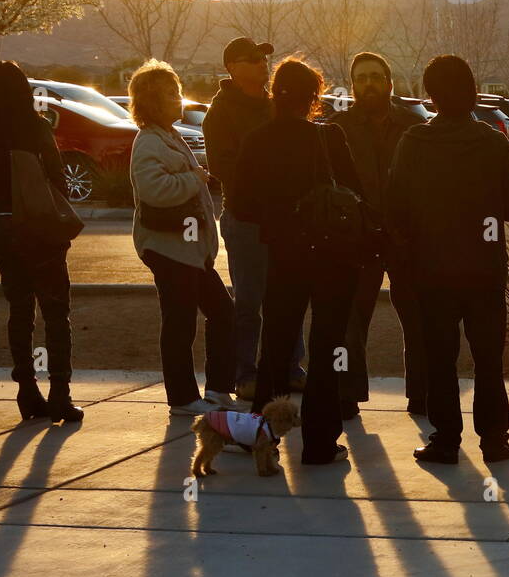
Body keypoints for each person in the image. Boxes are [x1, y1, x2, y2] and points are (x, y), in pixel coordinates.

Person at [386, 54, 509, 465]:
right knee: (487, 359)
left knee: (440, 360)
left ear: (430, 97)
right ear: (471, 91)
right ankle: (495, 440)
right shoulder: (492, 142)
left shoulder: (412, 144)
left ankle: (445, 439)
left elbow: (394, 210)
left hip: (431, 272)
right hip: (483, 270)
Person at [228, 57, 362, 465]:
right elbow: (354, 195)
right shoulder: (330, 139)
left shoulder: (256, 141)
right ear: (314, 97)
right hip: (331, 257)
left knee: (276, 344)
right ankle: (321, 443)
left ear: (274, 93)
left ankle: (260, 433)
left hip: (283, 256)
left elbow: (239, 206)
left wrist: (276, 218)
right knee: (326, 348)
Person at [0, 60, 81, 423]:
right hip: (39, 228)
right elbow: (56, 177)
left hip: (0, 231)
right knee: (56, 313)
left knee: (19, 310)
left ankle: (26, 389)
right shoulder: (35, 127)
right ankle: (60, 392)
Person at [127, 59, 236, 417]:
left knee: (220, 313)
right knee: (181, 322)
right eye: (172, 93)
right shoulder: (148, 143)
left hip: (188, 250)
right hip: (169, 248)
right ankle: (183, 398)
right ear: (155, 102)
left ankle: (218, 390)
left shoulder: (166, 137)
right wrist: (194, 179)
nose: (179, 98)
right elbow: (154, 190)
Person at [203, 36, 306, 401]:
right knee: (249, 301)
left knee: (290, 295)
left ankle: (292, 369)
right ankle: (245, 374)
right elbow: (222, 167)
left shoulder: (275, 105)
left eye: (264, 58)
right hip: (245, 218)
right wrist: (270, 178)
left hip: (285, 218)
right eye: (252, 59)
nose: (263, 64)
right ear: (232, 67)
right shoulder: (220, 113)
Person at [332, 51, 425, 419]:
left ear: (389, 83)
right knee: (350, 323)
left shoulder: (412, 125)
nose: (368, 83)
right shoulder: (337, 127)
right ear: (353, 86)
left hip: (405, 236)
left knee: (419, 321)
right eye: (361, 78)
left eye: (375, 77)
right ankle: (346, 395)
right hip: (357, 238)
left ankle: (422, 394)